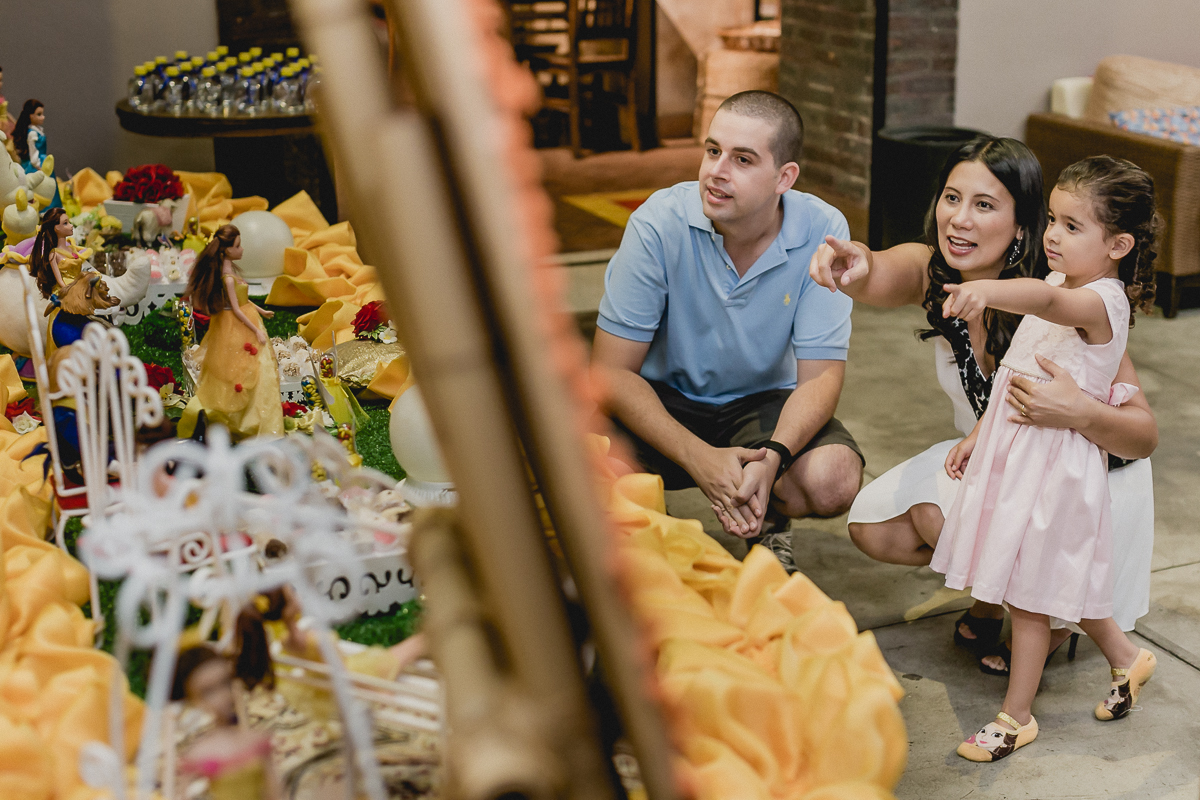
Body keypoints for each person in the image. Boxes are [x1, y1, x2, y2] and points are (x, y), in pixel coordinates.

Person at [808, 137, 1157, 675]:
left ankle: (1048, 613)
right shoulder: (939, 271)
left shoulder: (1061, 298)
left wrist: (1079, 413)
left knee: (941, 515)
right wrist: (854, 262)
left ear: (1023, 226)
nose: (960, 220)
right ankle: (1000, 596)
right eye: (952, 198)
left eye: (985, 205)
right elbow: (878, 270)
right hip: (1005, 457)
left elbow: (1142, 434)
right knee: (882, 525)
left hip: (1084, 479)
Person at [932, 155, 1160, 760]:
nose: (1053, 235)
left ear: (1119, 244)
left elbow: (1045, 304)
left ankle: (1016, 717)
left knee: (1030, 593)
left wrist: (985, 288)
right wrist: (978, 436)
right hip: (1015, 458)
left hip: (1055, 469)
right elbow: (1013, 372)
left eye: (1072, 226)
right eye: (1052, 220)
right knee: (1052, 581)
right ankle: (1128, 658)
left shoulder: (1102, 302)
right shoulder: (1062, 286)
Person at [592, 90, 864, 571]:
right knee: (579, 461)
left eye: (742, 159)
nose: (716, 170)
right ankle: (651, 518)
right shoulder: (658, 224)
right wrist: (700, 458)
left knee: (833, 478)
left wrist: (774, 458)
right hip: (661, 396)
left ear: (785, 178)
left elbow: (821, 376)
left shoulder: (823, 230)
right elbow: (611, 372)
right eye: (713, 150)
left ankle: (769, 518)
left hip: (759, 404)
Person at [178, 224, 285, 441]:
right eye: (238, 246)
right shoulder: (227, 279)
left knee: (256, 366)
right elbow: (236, 309)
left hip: (248, 318)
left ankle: (254, 417)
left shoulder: (231, 274)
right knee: (239, 367)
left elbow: (244, 301)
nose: (242, 250)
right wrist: (256, 329)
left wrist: (261, 311)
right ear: (227, 251)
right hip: (236, 325)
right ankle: (243, 420)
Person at [12, 98, 59, 209]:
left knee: (49, 188)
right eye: (39, 114)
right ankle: (43, 209)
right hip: (37, 164)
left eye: (42, 114)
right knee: (40, 188)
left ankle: (51, 208)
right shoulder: (32, 133)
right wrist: (38, 165)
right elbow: (33, 153)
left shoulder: (37, 130)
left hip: (43, 161)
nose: (43, 117)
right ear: (30, 116)